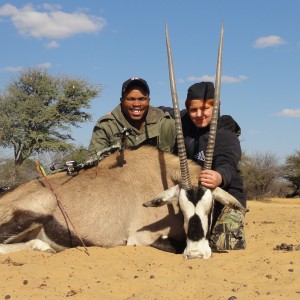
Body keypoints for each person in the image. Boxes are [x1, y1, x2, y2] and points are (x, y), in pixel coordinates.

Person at [161, 81, 246, 251]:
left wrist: (219, 176)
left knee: (224, 245)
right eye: (194, 109)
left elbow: (228, 162)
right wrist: (118, 110)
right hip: (190, 196)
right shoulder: (182, 121)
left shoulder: (226, 135)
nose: (199, 114)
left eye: (206, 109)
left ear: (216, 107)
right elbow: (162, 111)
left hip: (221, 196)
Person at [88, 77, 176, 158]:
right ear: (122, 100)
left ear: (149, 101)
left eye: (142, 99)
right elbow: (94, 165)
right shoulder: (106, 125)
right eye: (131, 99)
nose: (136, 104)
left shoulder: (166, 123)